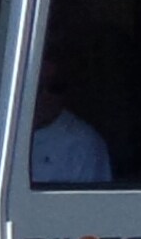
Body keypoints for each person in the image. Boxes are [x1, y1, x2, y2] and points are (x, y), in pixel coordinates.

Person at [27, 56, 116, 186]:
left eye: (55, 87)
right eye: (38, 86)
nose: (45, 95)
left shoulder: (84, 143)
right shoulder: (0, 130)